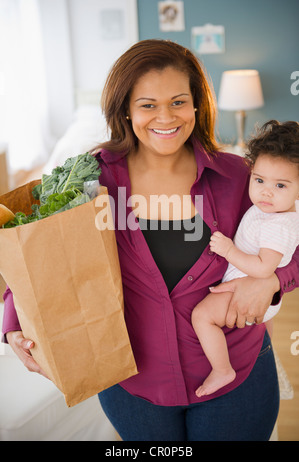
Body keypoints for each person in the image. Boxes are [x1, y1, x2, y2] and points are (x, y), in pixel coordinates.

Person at [2, 40, 299, 441]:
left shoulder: (238, 176)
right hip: (131, 381)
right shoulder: (93, 180)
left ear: (197, 105)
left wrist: (273, 281)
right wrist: (13, 323)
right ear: (125, 108)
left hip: (237, 377)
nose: (165, 117)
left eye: (178, 102)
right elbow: (41, 253)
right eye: (148, 105)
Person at [191, 120, 299, 398]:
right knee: (263, 323)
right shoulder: (271, 210)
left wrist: (228, 251)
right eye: (259, 180)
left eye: (280, 185)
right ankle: (267, 346)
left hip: (248, 286)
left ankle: (222, 369)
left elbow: (264, 268)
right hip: (255, 294)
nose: (266, 191)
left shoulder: (278, 224)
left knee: (202, 316)